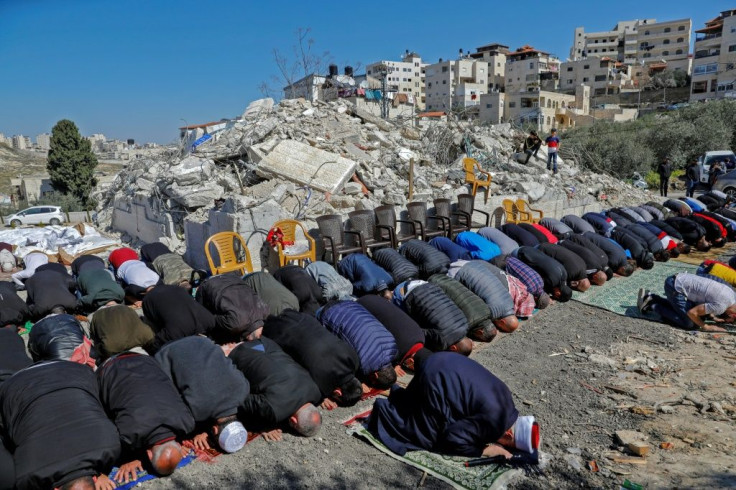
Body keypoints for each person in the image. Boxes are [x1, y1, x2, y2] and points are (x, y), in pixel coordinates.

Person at [368, 352, 540, 458]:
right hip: (436, 378)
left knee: (418, 403)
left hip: (442, 359)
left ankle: (401, 398)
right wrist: (484, 450)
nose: (503, 444)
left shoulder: (507, 400)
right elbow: (453, 438)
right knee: (428, 438)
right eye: (508, 444)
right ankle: (385, 410)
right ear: (509, 434)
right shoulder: (495, 422)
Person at [0, 360, 121, 490]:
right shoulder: (28, 476)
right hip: (17, 385)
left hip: (71, 371)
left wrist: (102, 473)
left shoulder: (111, 447)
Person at [97, 351, 195, 482]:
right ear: (148, 455)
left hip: (143, 358)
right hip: (108, 368)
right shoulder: (128, 436)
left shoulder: (187, 422)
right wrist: (134, 459)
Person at [154, 336, 249, 453]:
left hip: (199, 340)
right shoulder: (198, 412)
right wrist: (201, 431)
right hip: (165, 352)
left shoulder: (243, 388)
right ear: (214, 430)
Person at [226, 337, 323, 441]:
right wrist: (263, 425)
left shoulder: (316, 392)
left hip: (265, 343)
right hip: (239, 354)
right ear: (294, 421)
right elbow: (240, 400)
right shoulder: (275, 411)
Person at [262, 309, 362, 409]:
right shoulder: (320, 385)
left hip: (300, 316)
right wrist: (322, 398)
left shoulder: (354, 359)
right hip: (277, 330)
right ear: (338, 393)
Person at [317, 300, 399, 387]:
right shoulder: (364, 365)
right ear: (376, 375)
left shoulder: (394, 347)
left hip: (351, 304)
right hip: (329, 313)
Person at [394, 281, 474, 354]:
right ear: (454, 348)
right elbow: (417, 332)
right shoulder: (443, 340)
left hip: (426, 284)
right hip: (405, 292)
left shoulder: (465, 323)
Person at [638, 273, 736, 332]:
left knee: (696, 317)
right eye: (730, 320)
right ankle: (652, 305)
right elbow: (692, 313)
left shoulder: (732, 296)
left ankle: (652, 298)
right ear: (732, 315)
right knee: (688, 323)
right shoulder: (721, 306)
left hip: (681, 278)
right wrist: (707, 326)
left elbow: (711, 299)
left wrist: (712, 317)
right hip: (675, 286)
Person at [357, 294, 431, 369]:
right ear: (411, 361)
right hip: (361, 307)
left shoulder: (421, 336)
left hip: (374, 298)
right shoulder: (399, 349)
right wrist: (393, 365)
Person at [196, 274, 270, 343]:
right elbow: (211, 319)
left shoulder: (265, 310)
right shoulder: (236, 323)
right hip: (209, 285)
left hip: (233, 278)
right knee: (201, 319)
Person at [143, 284, 216, 352]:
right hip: (207, 318)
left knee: (155, 346)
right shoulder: (175, 287)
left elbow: (153, 323)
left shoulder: (147, 299)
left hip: (179, 328)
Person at [427, 273, 497, 341]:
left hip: (446, 278)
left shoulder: (488, 311)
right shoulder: (468, 323)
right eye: (479, 337)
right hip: (433, 285)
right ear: (480, 332)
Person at [454, 261, 519, 332]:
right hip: (457, 273)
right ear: (502, 322)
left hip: (474, 264)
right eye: (501, 327)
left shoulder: (510, 302)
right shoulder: (493, 312)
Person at [90, 304, 155, 359]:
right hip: (142, 353)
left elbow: (95, 339)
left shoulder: (96, 316)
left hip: (114, 356)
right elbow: (149, 337)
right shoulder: (127, 309)